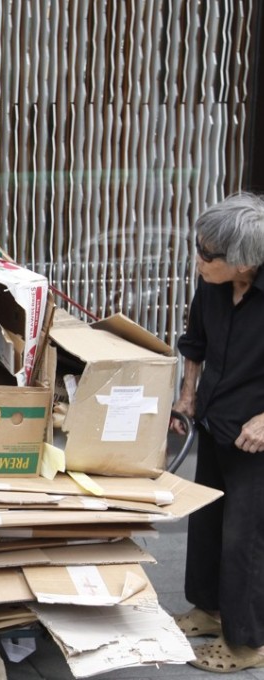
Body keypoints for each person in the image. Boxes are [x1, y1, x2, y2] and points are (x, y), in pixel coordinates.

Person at [171, 192, 264, 672]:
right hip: (214, 418)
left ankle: (247, 644)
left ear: (245, 262)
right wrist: (187, 394)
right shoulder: (211, 283)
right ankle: (208, 610)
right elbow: (195, 342)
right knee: (205, 522)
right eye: (197, 247)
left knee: (245, 539)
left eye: (209, 255)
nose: (198, 259)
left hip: (257, 437)